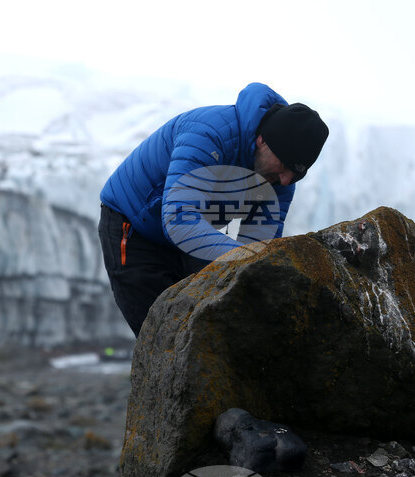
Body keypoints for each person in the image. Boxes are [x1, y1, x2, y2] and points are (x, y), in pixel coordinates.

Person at [98, 82, 329, 336]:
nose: (286, 180)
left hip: (196, 234)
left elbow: (263, 248)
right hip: (134, 227)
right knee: (165, 336)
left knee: (214, 328)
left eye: (296, 174)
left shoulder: (280, 180)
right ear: (263, 140)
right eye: (284, 166)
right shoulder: (209, 133)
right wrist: (248, 257)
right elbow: (179, 219)